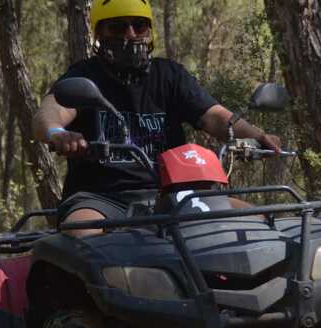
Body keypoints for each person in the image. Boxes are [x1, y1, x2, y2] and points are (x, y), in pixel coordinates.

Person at [32, 0, 281, 237]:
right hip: (102, 197)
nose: (130, 34)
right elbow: (50, 111)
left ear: (150, 32)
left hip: (175, 193)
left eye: (139, 25)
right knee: (83, 231)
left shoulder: (169, 75)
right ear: (99, 34)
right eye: (118, 26)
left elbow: (214, 116)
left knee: (257, 222)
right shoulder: (85, 76)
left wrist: (257, 136)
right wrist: (57, 133)